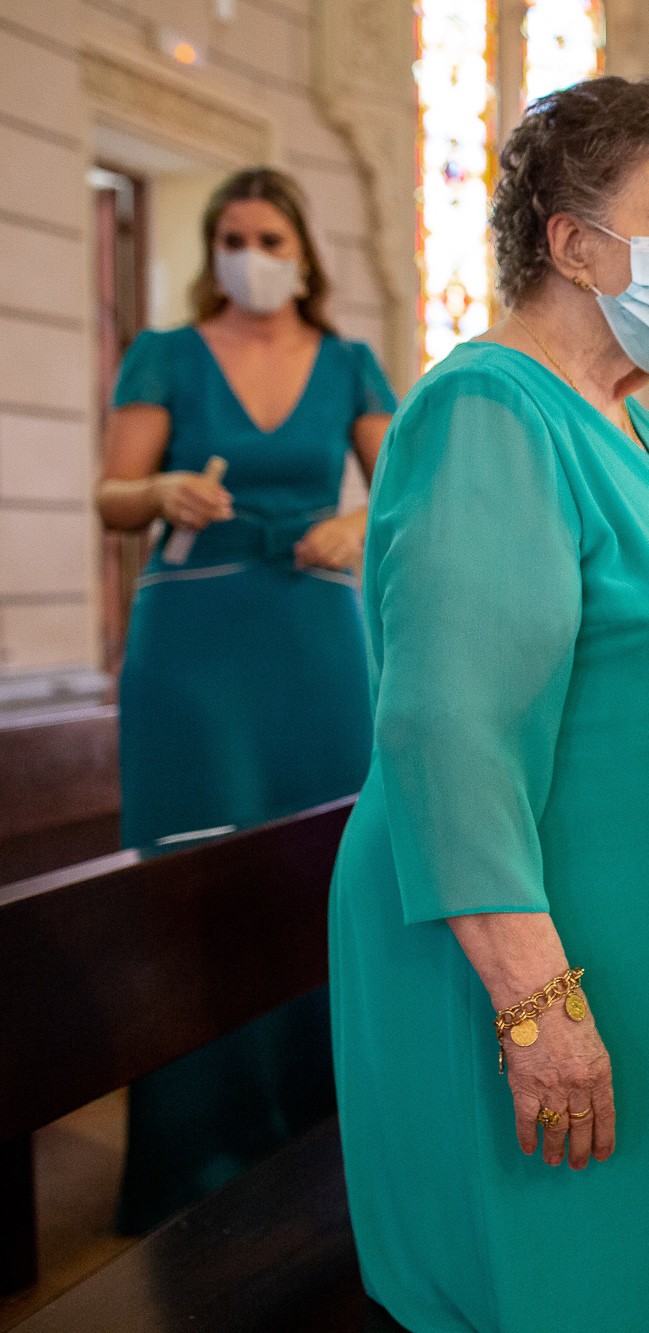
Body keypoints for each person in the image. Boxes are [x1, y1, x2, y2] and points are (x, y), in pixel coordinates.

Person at [328, 77, 649, 1330]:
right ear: (575, 244)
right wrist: (536, 1003)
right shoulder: (489, 410)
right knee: (585, 1284)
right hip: (550, 968)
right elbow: (449, 727)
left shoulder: (632, 426)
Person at [95, 166, 395, 1233]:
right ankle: (196, 1157)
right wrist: (159, 489)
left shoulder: (351, 363)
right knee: (198, 875)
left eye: (269, 235)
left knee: (324, 864)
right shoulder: (165, 355)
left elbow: (402, 488)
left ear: (302, 252)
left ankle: (324, 1140)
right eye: (232, 235)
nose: (250, 252)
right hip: (194, 646)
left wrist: (358, 526)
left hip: (317, 639)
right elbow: (110, 493)